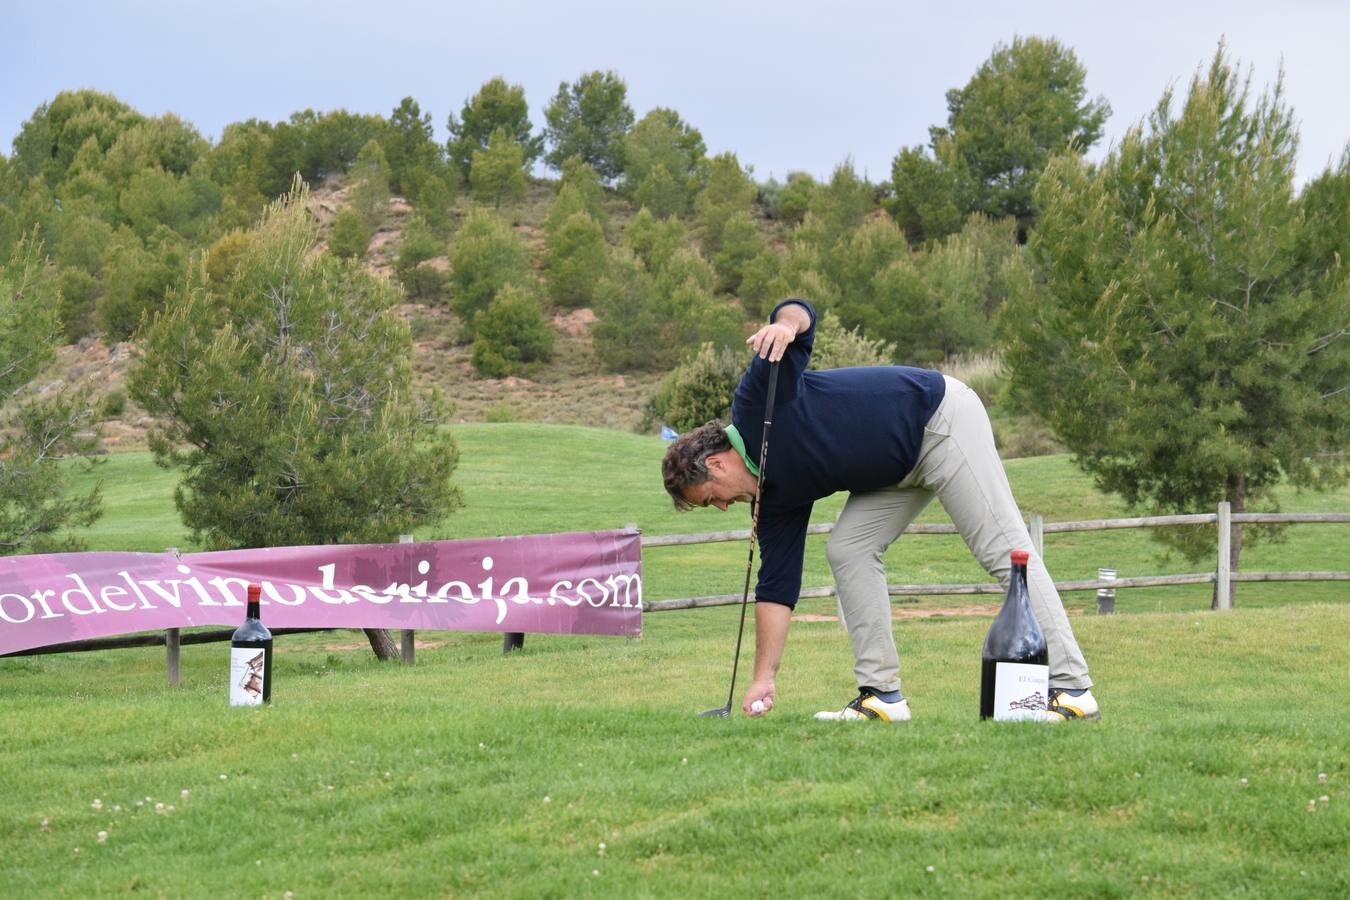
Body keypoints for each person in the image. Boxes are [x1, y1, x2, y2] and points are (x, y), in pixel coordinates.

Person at [661, 298, 1099, 722]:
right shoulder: (771, 499)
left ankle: (1072, 690)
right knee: (848, 549)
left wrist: (784, 325)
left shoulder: (757, 402)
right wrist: (762, 680)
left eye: (711, 497)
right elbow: (776, 588)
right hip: (896, 467)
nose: (721, 507)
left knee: (1005, 552)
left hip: (940, 421)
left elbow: (801, 312)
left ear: (716, 463)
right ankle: (882, 696)